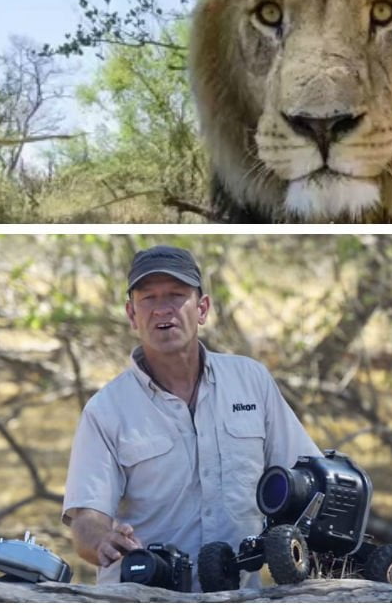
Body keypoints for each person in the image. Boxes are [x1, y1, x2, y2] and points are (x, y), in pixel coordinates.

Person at [62, 245, 320, 589]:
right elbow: (85, 519)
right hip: (142, 598)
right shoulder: (105, 410)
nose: (162, 309)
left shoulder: (251, 381)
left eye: (176, 295)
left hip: (241, 597)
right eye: (148, 298)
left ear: (202, 308)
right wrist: (102, 541)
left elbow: (307, 477)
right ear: (131, 314)